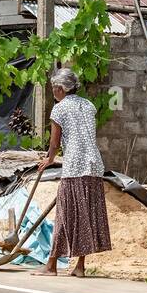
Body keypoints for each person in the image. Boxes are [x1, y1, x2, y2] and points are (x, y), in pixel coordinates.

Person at [31, 68, 111, 277]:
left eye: (53, 88)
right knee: (84, 216)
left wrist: (48, 159)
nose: (52, 92)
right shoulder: (89, 105)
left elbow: (55, 142)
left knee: (64, 216)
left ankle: (51, 266)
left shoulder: (59, 108)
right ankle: (80, 267)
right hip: (94, 165)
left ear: (59, 88)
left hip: (75, 166)